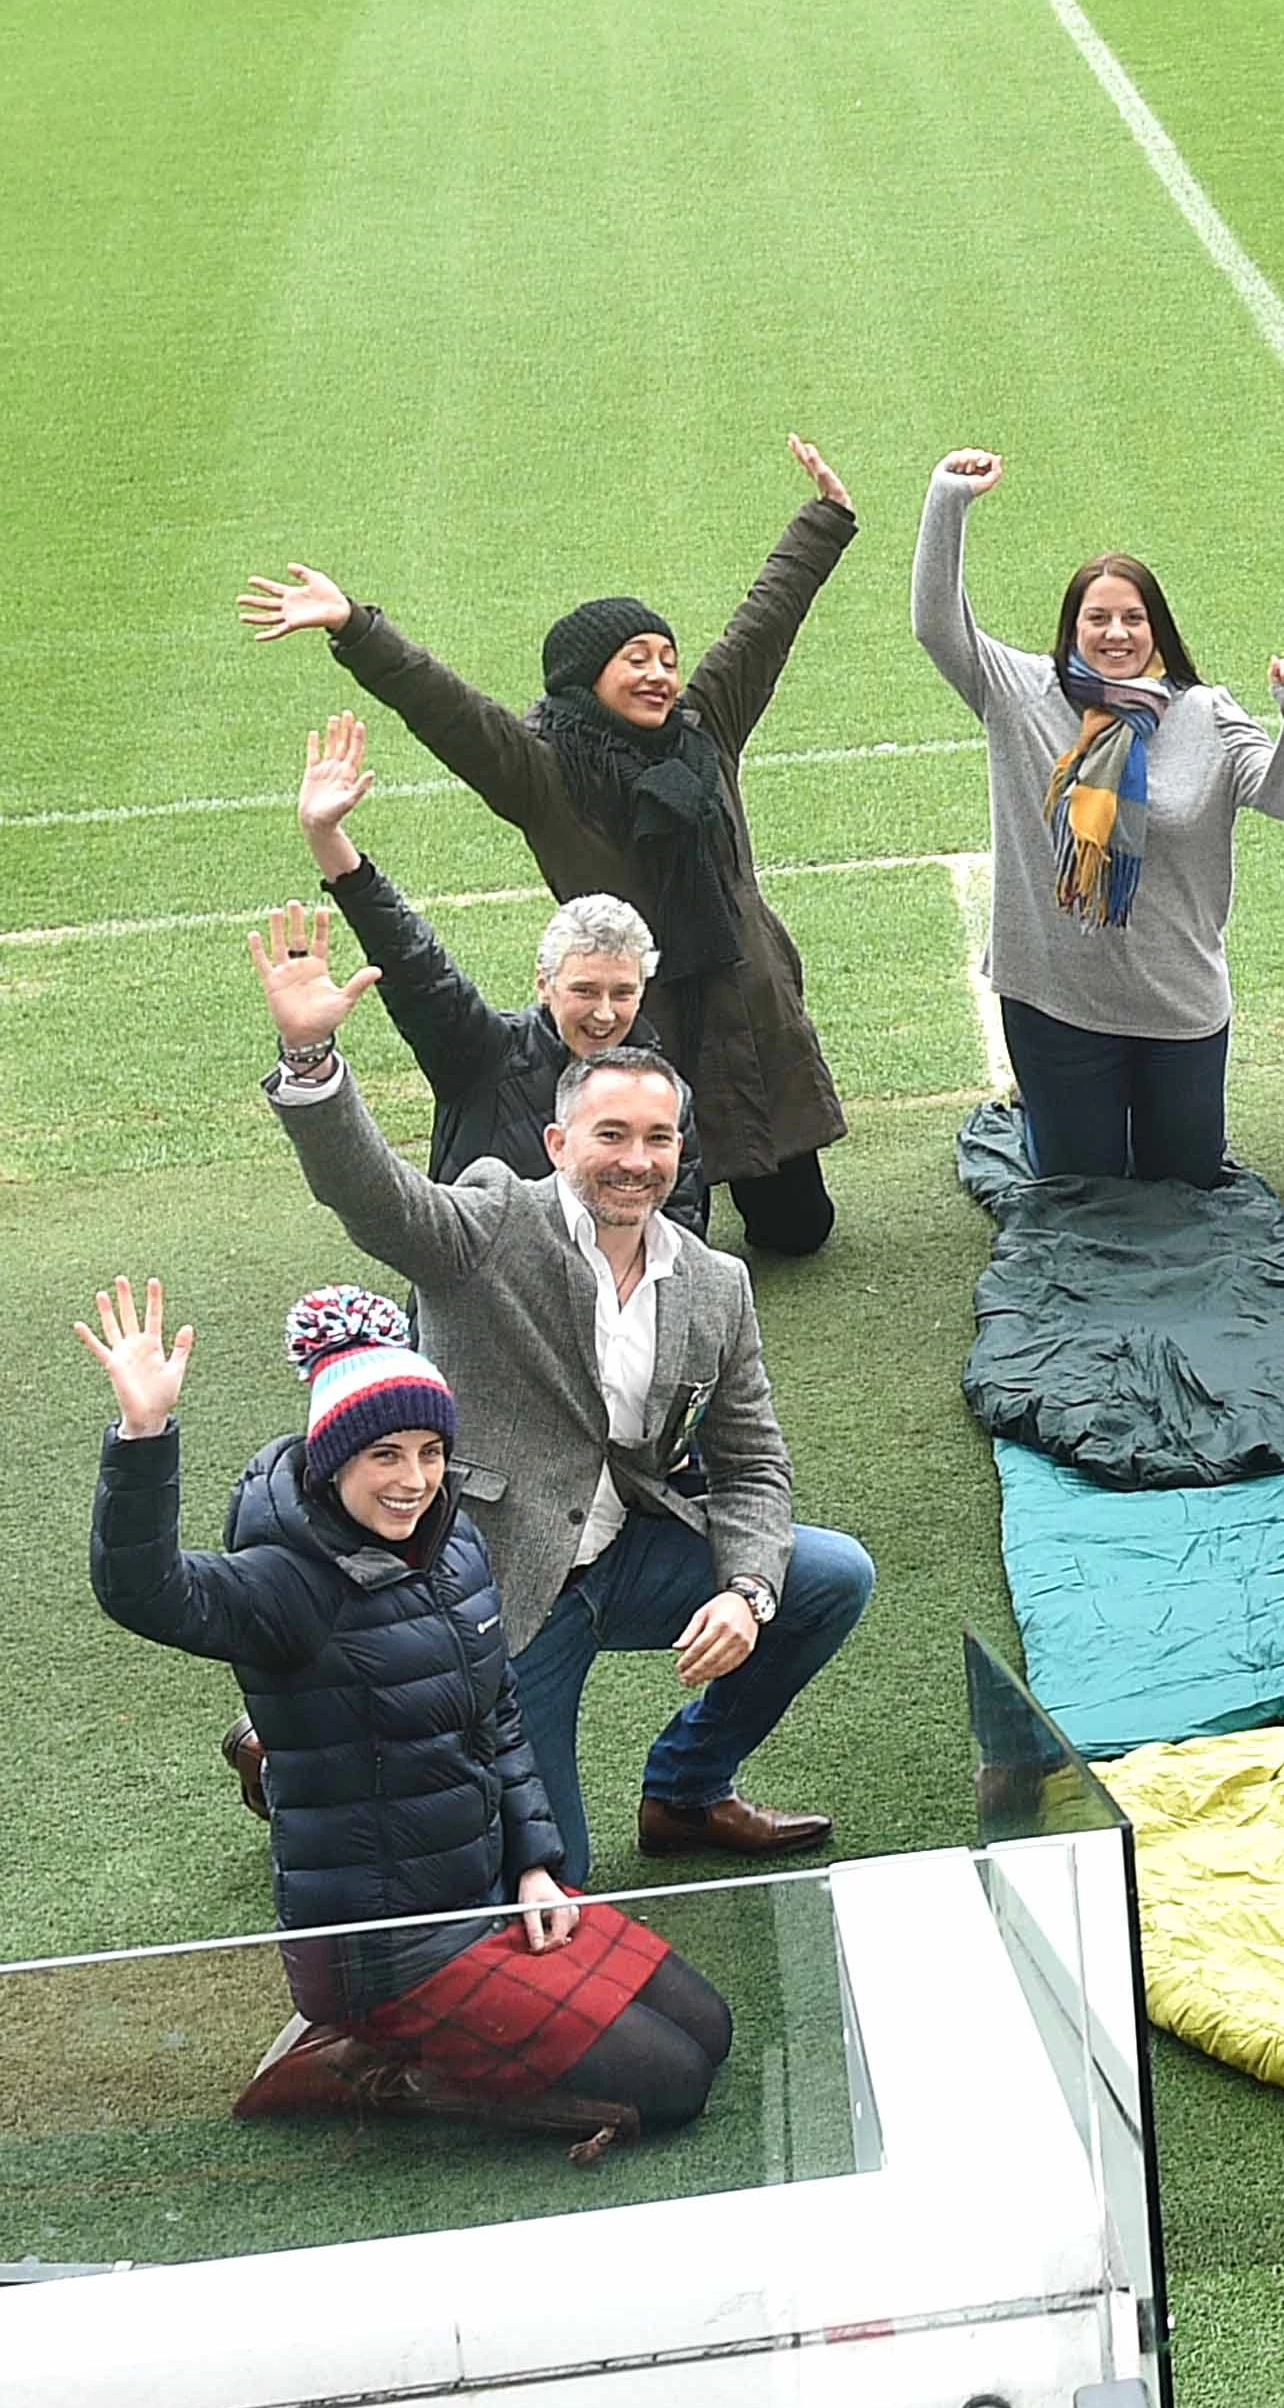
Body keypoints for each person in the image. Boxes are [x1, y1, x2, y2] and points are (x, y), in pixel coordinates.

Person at [254, 905, 873, 1884]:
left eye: (658, 1138)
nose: (636, 1158)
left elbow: (753, 1463)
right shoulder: (493, 1221)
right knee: (556, 1887)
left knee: (831, 1577)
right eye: (611, 1134)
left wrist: (749, 1593)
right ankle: (347, 1738)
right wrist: (311, 1058)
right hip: (507, 1593)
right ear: (556, 1140)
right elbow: (372, 1194)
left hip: (628, 1557)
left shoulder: (714, 1284)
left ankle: (686, 1789)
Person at [85, 1278, 728, 2152]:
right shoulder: (281, 1582)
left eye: (431, 1451)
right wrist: (144, 1434)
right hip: (383, 1949)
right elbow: (144, 1591)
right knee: (673, 2083)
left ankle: (424, 2037)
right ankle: (370, 2061)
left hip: (489, 1892)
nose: (414, 1480)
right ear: (333, 1460)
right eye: (384, 1455)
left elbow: (497, 1715)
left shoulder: (454, 1543)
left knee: (709, 2025)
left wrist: (536, 1865)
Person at [238, 439, 860, 1252]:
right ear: (583, 677)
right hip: (635, 1014)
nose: (659, 676)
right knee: (662, 1233)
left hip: (751, 1002)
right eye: (634, 659)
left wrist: (824, 522)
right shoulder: (543, 772)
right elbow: (446, 708)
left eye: (667, 660)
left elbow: (762, 625)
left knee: (799, 1231)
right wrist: (356, 627)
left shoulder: (704, 732)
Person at [912, 453, 1284, 1184]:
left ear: (1158, 631)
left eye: (1132, 618)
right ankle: (1051, 1119)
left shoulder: (1207, 714)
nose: (1115, 633)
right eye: (1096, 617)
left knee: (1187, 1180)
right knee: (1085, 1187)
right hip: (1056, 1000)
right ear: (1071, 628)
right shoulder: (1021, 694)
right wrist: (949, 500)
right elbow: (936, 624)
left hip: (1179, 1004)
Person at [292, 712, 710, 1216]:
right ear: (544, 984)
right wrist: (327, 839)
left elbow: (681, 1232)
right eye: (584, 990)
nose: (604, 1013)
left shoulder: (667, 1094)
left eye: (622, 992)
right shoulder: (480, 1056)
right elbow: (413, 962)